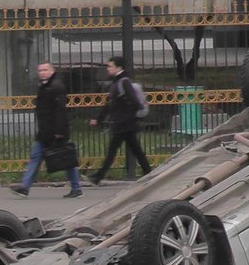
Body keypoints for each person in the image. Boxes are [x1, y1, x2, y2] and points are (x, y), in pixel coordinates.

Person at [10, 62, 82, 199]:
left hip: (56, 132)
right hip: (44, 132)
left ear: (52, 71)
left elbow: (61, 111)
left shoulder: (56, 86)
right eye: (40, 70)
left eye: (45, 70)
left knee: (67, 159)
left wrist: (59, 132)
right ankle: (24, 188)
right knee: (36, 158)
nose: (42, 72)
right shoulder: (44, 86)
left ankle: (76, 188)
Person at [87, 56, 152, 185]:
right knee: (136, 150)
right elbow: (110, 104)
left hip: (124, 124)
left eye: (110, 66)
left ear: (119, 68)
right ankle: (149, 173)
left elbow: (135, 102)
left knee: (113, 150)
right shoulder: (117, 82)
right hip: (125, 124)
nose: (108, 69)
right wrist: (98, 119)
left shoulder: (123, 82)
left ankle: (98, 176)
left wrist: (126, 118)